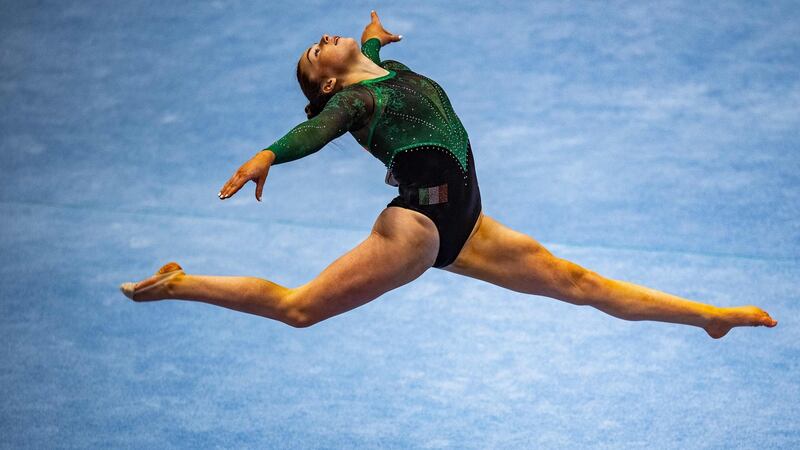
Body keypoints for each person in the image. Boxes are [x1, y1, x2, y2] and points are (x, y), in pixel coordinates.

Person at [120, 11, 777, 339]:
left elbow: (371, 51)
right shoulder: (352, 101)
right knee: (301, 310)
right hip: (418, 227)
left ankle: (707, 318)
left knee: (578, 283)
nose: (328, 39)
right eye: (315, 53)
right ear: (327, 80)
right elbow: (310, 130)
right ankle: (183, 283)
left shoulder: (380, 71)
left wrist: (374, 35)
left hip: (465, 219)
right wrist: (267, 156)